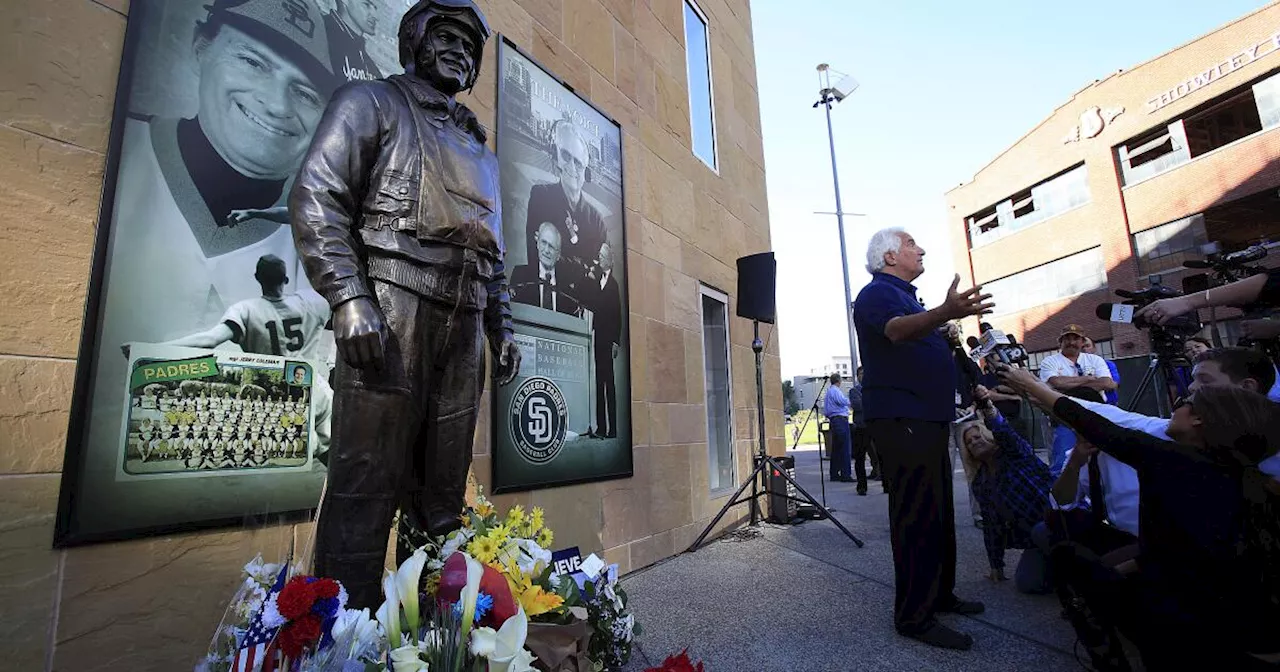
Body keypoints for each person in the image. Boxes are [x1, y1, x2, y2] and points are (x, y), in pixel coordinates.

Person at [290, 0, 521, 609]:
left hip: (464, 327)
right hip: (392, 310)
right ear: (415, 39)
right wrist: (348, 296)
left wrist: (504, 328)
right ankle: (341, 637)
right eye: (446, 36)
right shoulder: (369, 104)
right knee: (364, 489)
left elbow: (492, 255)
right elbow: (318, 195)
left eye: (470, 47)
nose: (459, 52)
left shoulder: (483, 154)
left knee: (442, 499)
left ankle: (432, 634)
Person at [998, 365, 1280, 670]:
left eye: (1184, 403)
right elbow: (1173, 549)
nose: (1177, 405)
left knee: (1072, 559)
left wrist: (1030, 384)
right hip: (1246, 628)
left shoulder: (1174, 460)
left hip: (1202, 631)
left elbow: (1100, 427)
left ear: (1199, 420)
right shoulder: (1242, 476)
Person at [853, 227, 994, 650]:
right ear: (890, 256)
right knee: (916, 513)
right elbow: (896, 332)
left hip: (928, 417)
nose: (922, 249)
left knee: (939, 508)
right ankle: (914, 616)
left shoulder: (907, 295)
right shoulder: (877, 293)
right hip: (902, 417)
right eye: (912, 243)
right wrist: (944, 312)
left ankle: (940, 593)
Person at [961, 386, 1053, 591]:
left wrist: (987, 407)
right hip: (1033, 540)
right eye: (969, 443)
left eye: (977, 437)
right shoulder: (981, 483)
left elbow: (1004, 432)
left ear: (989, 436)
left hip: (1056, 523)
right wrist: (996, 565)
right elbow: (991, 526)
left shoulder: (1015, 454)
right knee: (1027, 583)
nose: (974, 443)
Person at [1037, 324, 1117, 479]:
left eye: (1075, 338)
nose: (1071, 342)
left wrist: (1069, 384)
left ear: (1082, 341)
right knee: (1062, 461)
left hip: (1096, 414)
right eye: (1067, 338)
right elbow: (1056, 383)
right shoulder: (1050, 361)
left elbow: (1106, 383)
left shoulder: (1095, 360)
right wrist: (1088, 378)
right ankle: (1061, 500)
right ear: (1060, 342)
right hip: (1064, 417)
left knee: (1101, 458)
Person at [524, 121, 606, 271]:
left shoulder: (597, 221)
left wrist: (560, 260)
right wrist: (581, 267)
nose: (572, 167)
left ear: (586, 173)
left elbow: (595, 275)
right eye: (566, 156)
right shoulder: (540, 197)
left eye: (578, 163)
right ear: (556, 156)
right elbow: (537, 260)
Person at [945, 322, 984, 525]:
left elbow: (979, 382)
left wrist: (975, 405)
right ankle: (943, 514)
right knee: (944, 468)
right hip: (943, 419)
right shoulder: (932, 358)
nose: (951, 335)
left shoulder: (963, 359)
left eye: (954, 332)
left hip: (966, 417)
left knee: (974, 466)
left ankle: (979, 513)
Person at [583, 242, 622, 438]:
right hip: (598, 334)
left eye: (601, 255)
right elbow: (593, 304)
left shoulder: (613, 285)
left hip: (608, 338)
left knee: (609, 383)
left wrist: (616, 341)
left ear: (608, 260)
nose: (599, 258)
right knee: (599, 381)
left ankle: (612, 429)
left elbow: (617, 314)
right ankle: (600, 427)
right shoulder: (598, 280)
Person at [511, 222, 584, 315]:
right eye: (543, 242)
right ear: (537, 244)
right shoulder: (520, 276)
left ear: (558, 255)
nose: (546, 250)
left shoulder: (567, 292)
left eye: (551, 247)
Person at [324, 0, 384, 83]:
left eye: (375, 8)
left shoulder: (371, 69)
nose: (376, 16)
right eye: (366, 5)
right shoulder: (319, 35)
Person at [848, 366, 881, 494]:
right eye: (861, 374)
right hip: (861, 427)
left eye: (865, 373)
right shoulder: (854, 391)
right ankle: (862, 486)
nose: (863, 376)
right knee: (860, 458)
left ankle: (885, 482)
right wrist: (871, 402)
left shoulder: (875, 390)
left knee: (879, 455)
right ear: (857, 376)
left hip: (874, 426)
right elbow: (857, 405)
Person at [823, 373, 853, 483]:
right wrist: (850, 402)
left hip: (833, 420)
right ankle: (846, 474)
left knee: (836, 449)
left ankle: (834, 473)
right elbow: (842, 401)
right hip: (840, 419)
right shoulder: (835, 391)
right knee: (845, 447)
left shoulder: (828, 392)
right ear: (838, 381)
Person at [1082, 337, 1120, 405]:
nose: (1084, 349)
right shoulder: (1075, 367)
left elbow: (1113, 384)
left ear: (1094, 348)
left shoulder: (1108, 364)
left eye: (1087, 346)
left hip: (1110, 404)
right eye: (1082, 347)